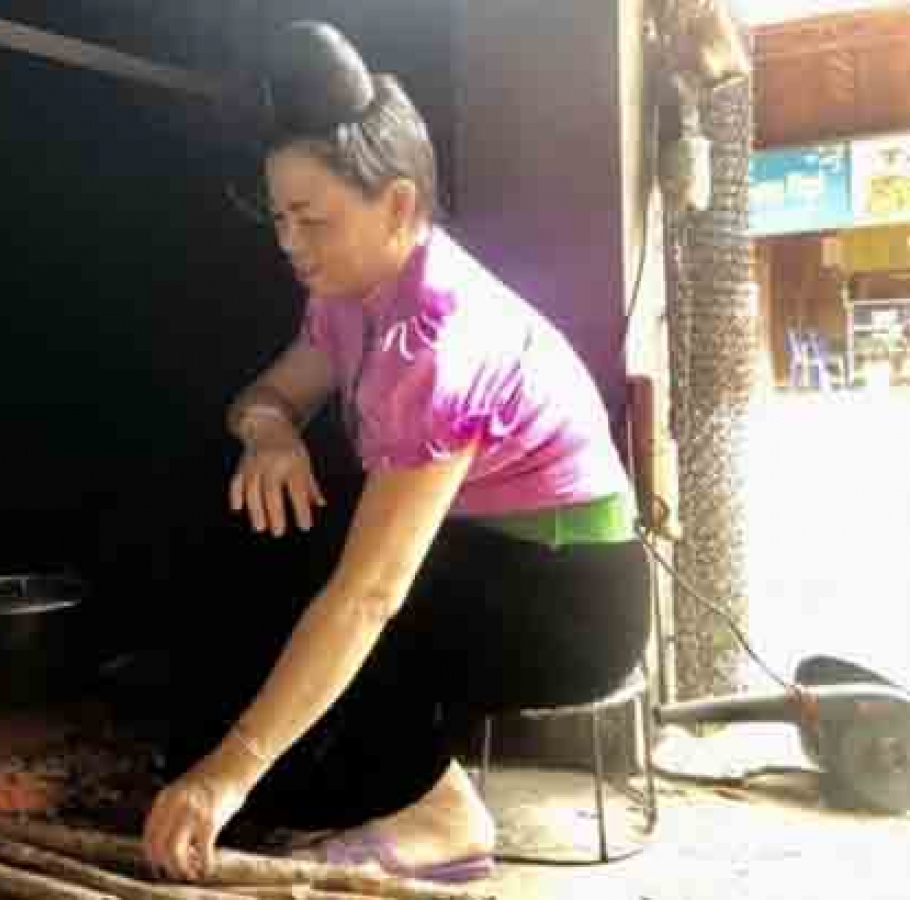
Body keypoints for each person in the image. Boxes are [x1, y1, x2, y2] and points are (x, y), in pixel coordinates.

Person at [139, 21, 652, 885]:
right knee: (260, 509)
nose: (291, 245)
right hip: (488, 560)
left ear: (402, 206)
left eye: (312, 219)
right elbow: (263, 399)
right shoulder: (347, 294)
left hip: (571, 600)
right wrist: (269, 439)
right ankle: (354, 783)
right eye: (279, 220)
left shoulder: (437, 340)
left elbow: (370, 595)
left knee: (334, 577)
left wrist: (229, 771)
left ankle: (441, 809)